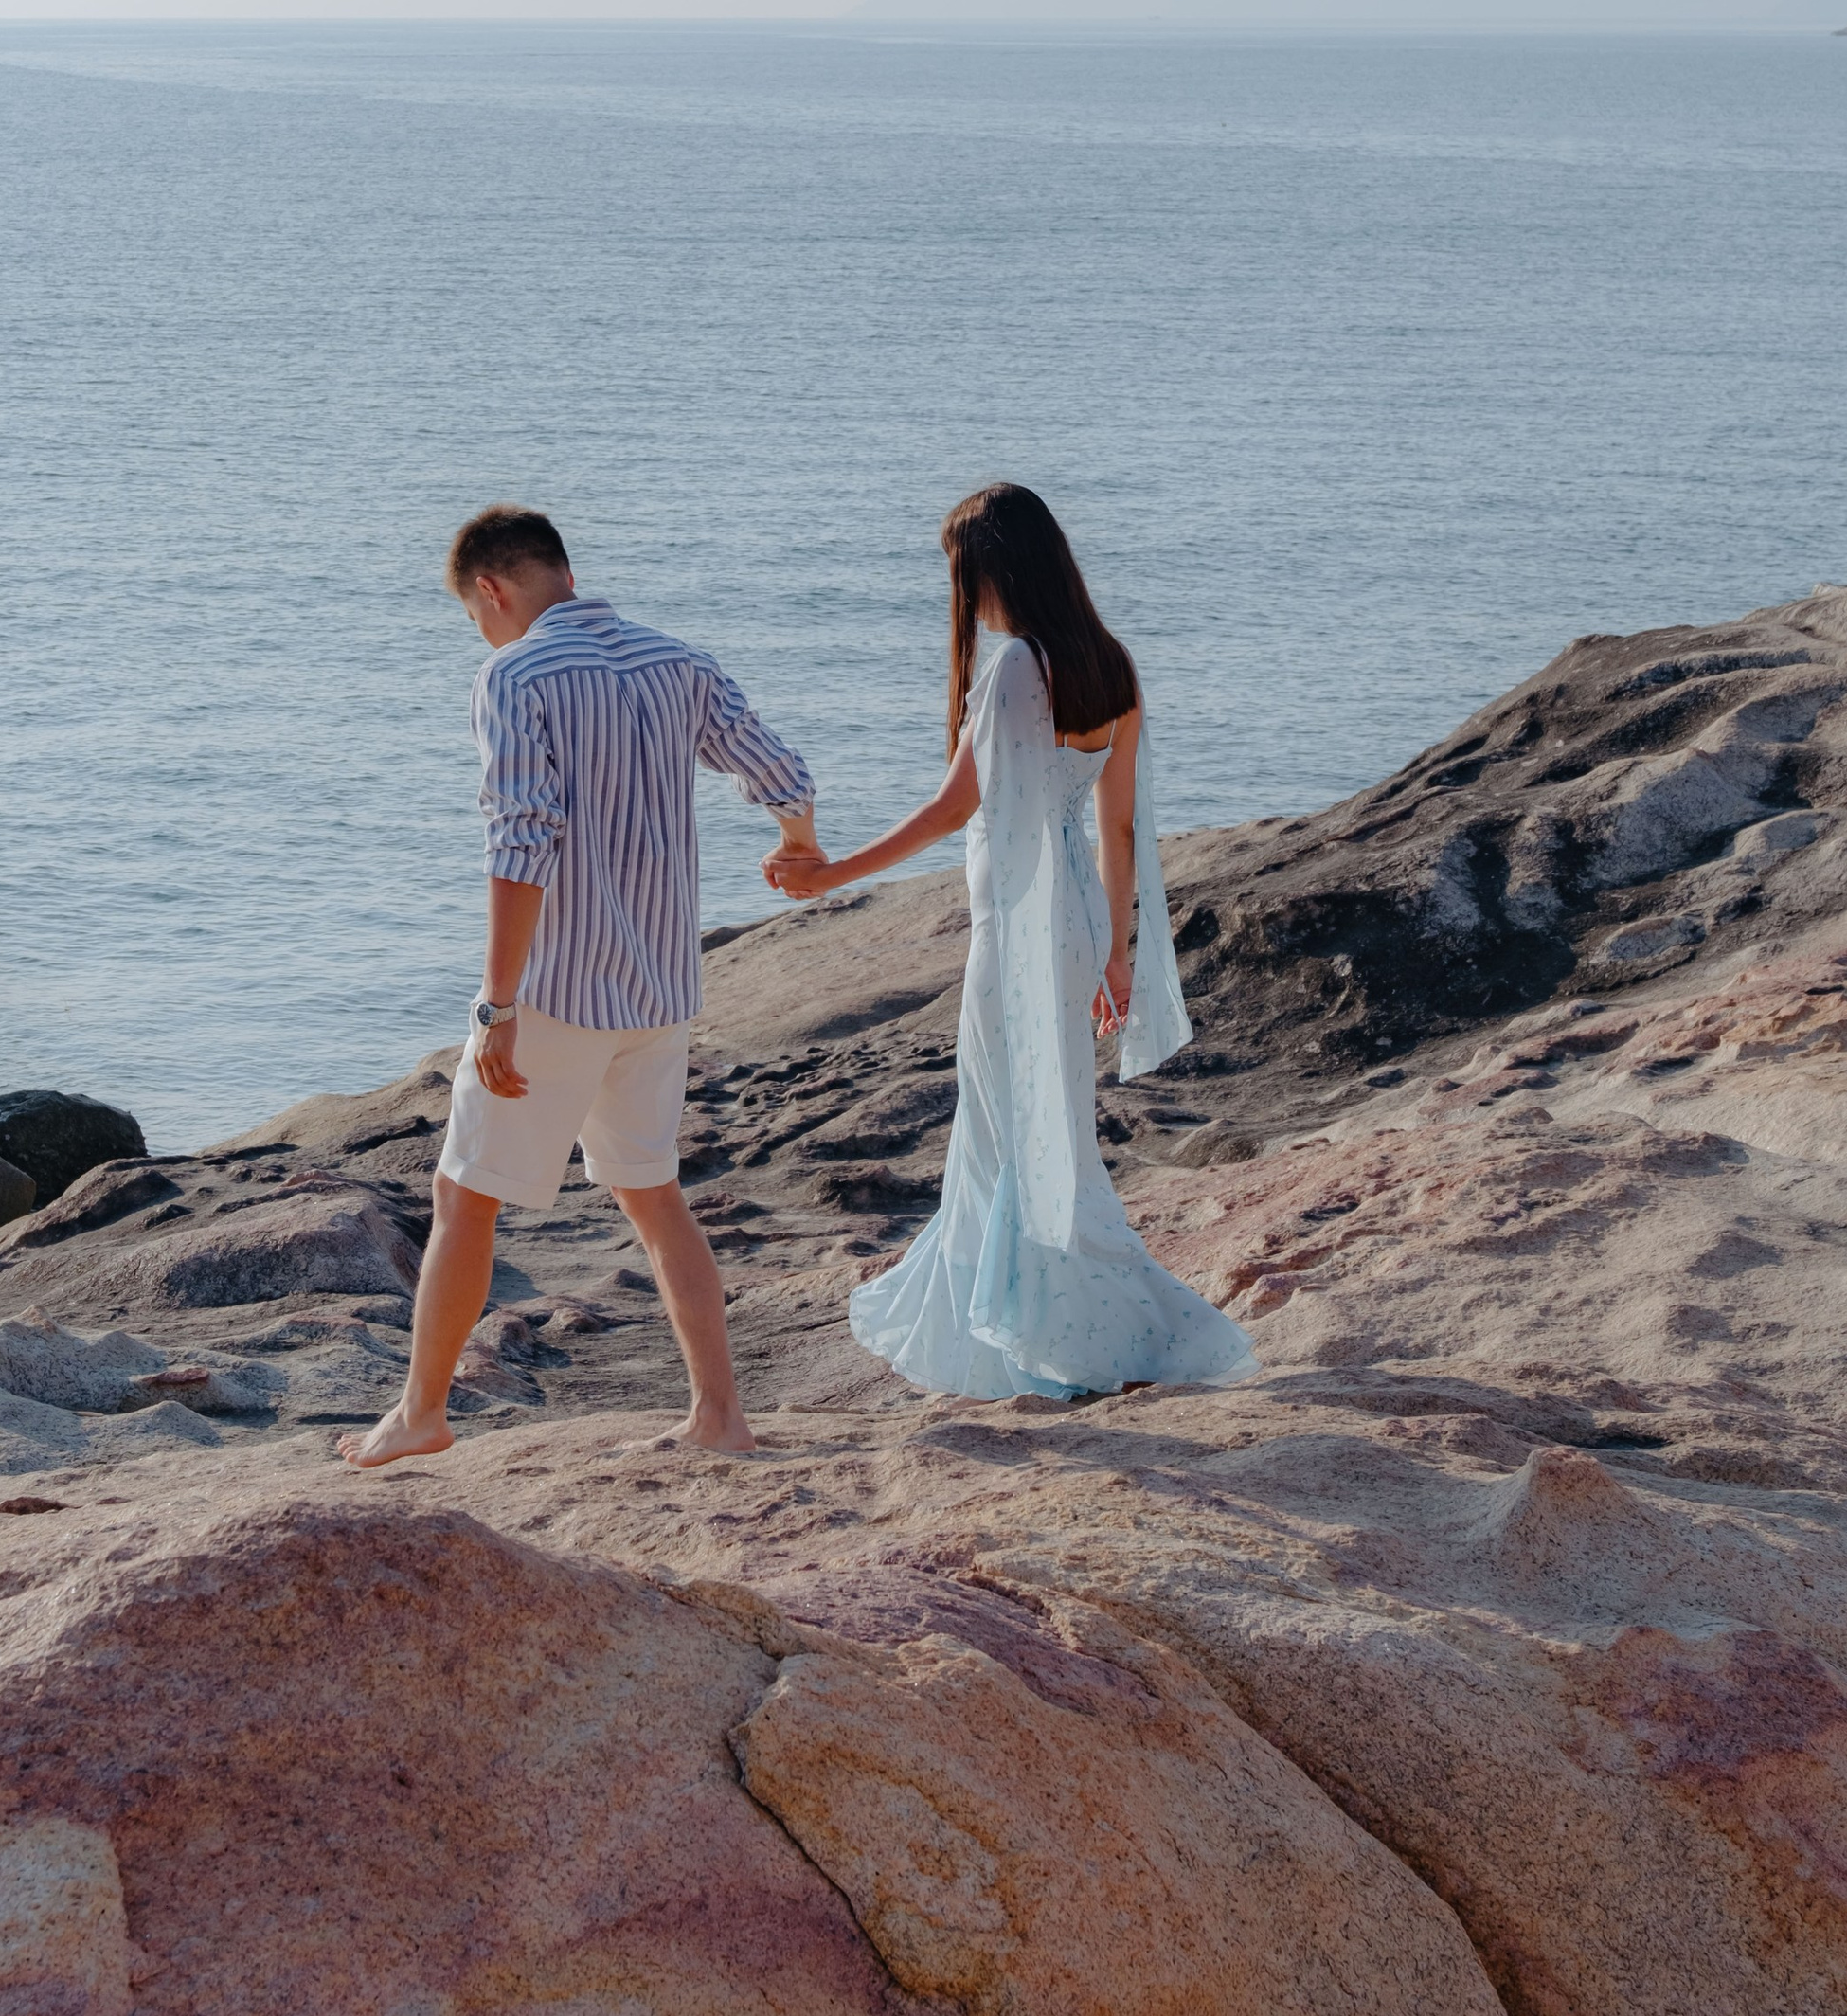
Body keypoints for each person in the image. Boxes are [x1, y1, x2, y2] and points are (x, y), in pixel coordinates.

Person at [338, 505, 817, 1469]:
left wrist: (497, 1005)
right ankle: (719, 1416)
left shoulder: (513, 673)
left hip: (559, 993)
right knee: (655, 1199)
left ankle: (421, 1415)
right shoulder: (677, 660)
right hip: (658, 991)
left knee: (464, 1195)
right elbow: (776, 769)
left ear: (491, 589)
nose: (483, 632)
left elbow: (521, 838)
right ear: (562, 569)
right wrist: (796, 842)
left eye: (476, 615)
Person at [764, 482, 1257, 1404]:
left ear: (999, 569)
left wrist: (831, 876)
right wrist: (1114, 951)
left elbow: (956, 807)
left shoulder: (1012, 670)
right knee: (1047, 1129)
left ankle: (1031, 1342)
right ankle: (1024, 1333)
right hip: (1073, 922)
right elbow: (1117, 834)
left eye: (964, 570)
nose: (964, 591)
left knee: (999, 1127)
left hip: (1018, 931)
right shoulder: (1111, 666)